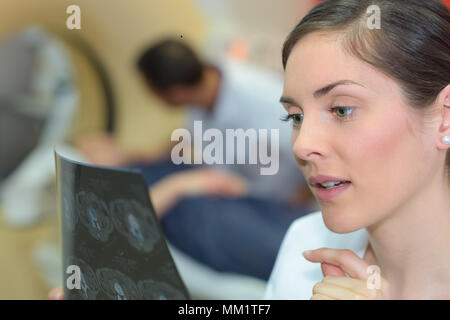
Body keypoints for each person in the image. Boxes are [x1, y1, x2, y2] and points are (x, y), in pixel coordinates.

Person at [264, 0, 450, 300]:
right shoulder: (304, 247)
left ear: (445, 118)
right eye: (296, 117)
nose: (302, 145)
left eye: (341, 110)